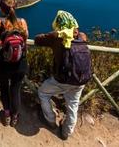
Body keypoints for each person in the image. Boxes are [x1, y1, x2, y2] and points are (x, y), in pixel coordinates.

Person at [34, 10, 88, 140]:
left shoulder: (57, 36)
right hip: (80, 79)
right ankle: (66, 133)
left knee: (43, 93)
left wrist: (54, 33)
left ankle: (51, 120)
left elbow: (37, 40)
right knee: (73, 105)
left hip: (62, 79)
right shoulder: (82, 36)